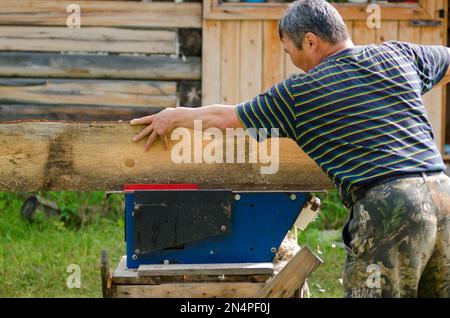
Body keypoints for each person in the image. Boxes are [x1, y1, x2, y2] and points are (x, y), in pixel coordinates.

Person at [130, 0, 450, 298]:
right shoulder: (399, 56)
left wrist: (174, 116)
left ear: (310, 41)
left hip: (390, 205)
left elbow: (226, 117)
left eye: (289, 52)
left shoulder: (300, 93)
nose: (294, 63)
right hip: (443, 193)